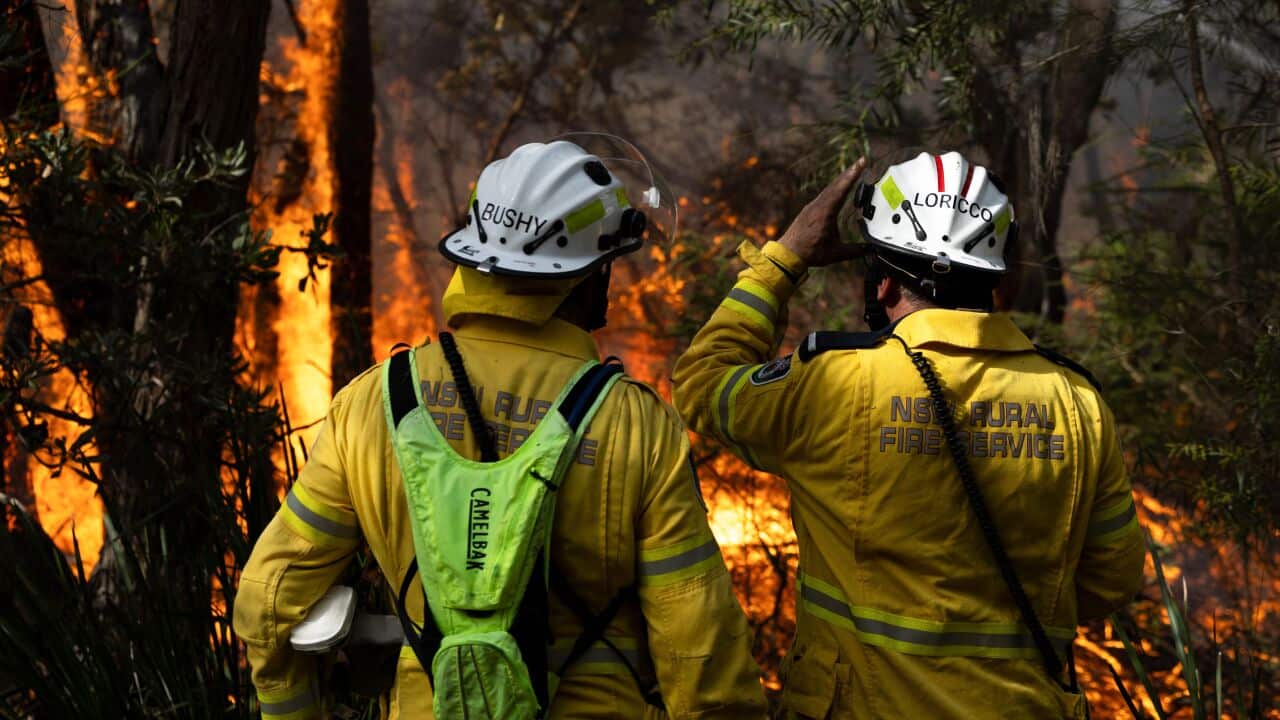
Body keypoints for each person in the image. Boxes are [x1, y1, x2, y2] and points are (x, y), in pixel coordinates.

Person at [234, 135, 765, 719]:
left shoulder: (371, 405)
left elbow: (267, 604)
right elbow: (701, 655)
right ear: (587, 277)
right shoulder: (635, 425)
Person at [671, 149, 1145, 719]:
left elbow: (702, 383)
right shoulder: (1079, 402)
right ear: (997, 277)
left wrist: (783, 261)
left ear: (884, 285)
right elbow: (1112, 577)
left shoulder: (833, 383)